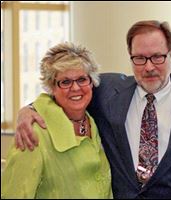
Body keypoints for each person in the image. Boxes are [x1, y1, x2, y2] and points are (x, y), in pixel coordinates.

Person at [13, 20, 171, 198]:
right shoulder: (106, 91)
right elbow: (66, 92)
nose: (149, 67)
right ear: (130, 57)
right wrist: (28, 109)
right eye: (139, 58)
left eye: (157, 57)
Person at [1, 42, 112, 199]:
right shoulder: (32, 133)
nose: (75, 88)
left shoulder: (96, 121)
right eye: (65, 82)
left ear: (92, 82)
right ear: (52, 88)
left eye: (81, 79)